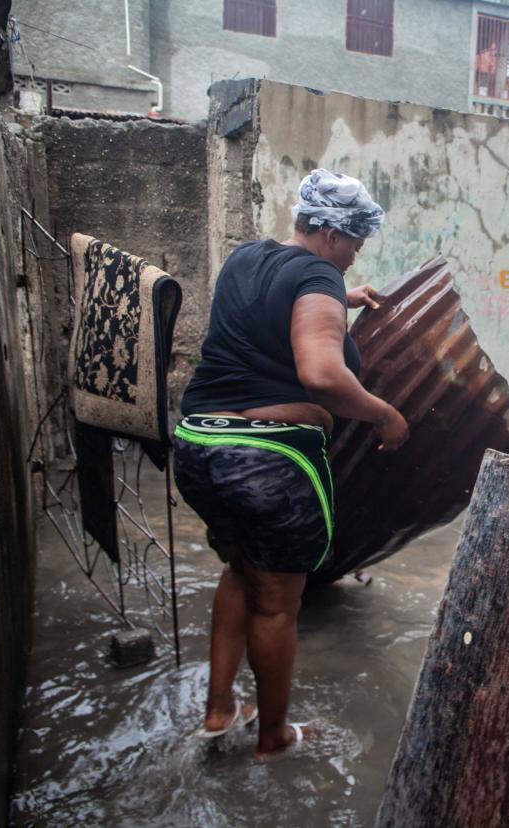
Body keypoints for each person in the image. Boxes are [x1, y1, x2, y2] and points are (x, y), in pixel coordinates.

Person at [172, 169, 410, 759]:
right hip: (266, 463)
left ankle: (220, 709)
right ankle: (275, 737)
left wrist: (341, 299)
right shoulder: (321, 274)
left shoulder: (247, 258)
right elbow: (322, 374)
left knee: (239, 570)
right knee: (276, 603)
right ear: (331, 232)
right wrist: (384, 416)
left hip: (198, 445)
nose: (355, 256)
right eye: (355, 242)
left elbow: (272, 309)